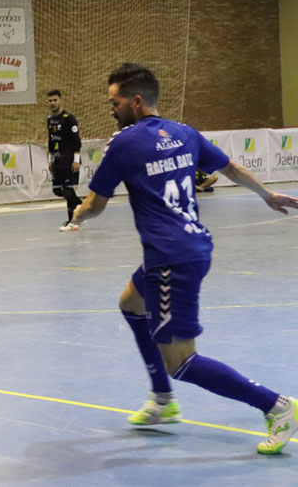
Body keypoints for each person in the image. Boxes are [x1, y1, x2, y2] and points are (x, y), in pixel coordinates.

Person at [71, 62, 298, 454]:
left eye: (114, 101)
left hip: (170, 261)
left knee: (182, 361)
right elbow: (231, 167)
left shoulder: (123, 143)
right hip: (192, 246)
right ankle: (162, 399)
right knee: (130, 302)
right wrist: (268, 195)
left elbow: (95, 205)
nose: (111, 109)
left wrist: (78, 214)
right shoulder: (185, 133)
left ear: (136, 102)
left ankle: (278, 406)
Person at [46, 90, 83, 232]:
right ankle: (83, 207)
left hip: (69, 158)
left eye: (55, 100)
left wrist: (76, 160)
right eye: (50, 101)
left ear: (61, 100)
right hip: (57, 159)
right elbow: (51, 140)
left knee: (68, 190)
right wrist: (50, 159)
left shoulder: (69, 118)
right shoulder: (50, 119)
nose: (52, 103)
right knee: (57, 191)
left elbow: (76, 141)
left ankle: (73, 221)